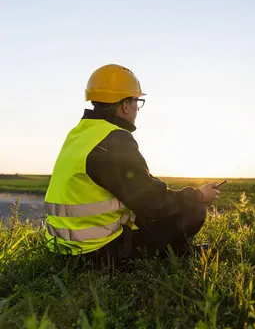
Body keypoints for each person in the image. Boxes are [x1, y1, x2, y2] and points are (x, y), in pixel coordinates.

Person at [44, 64, 220, 266]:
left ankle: (176, 251)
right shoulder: (114, 139)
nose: (137, 108)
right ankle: (174, 255)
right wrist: (198, 195)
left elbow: (132, 187)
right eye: (137, 101)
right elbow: (153, 203)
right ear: (125, 105)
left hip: (61, 248)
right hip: (97, 253)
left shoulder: (79, 134)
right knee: (194, 210)